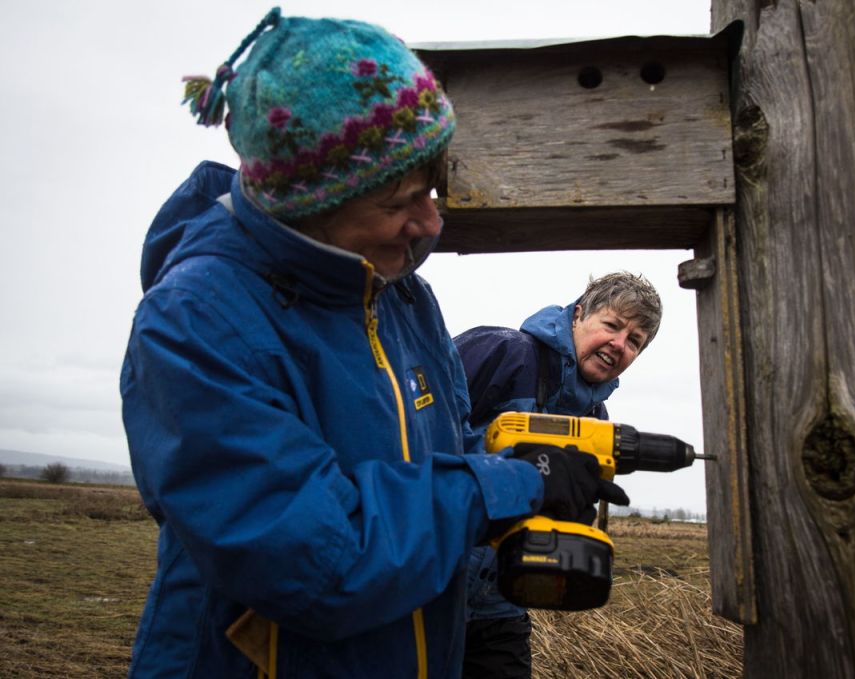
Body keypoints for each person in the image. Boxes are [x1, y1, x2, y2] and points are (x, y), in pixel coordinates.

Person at [120, 9, 628, 677]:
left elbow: (434, 458)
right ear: (306, 203)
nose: (431, 220)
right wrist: (500, 486)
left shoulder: (399, 296)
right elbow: (319, 560)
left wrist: (525, 461)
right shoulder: (194, 323)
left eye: (433, 189)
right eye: (400, 199)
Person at [454, 272, 663, 678]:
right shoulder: (502, 352)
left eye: (635, 341)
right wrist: (519, 474)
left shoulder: (596, 419)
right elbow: (413, 434)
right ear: (578, 314)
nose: (619, 345)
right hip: (430, 590)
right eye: (613, 325)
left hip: (501, 606)